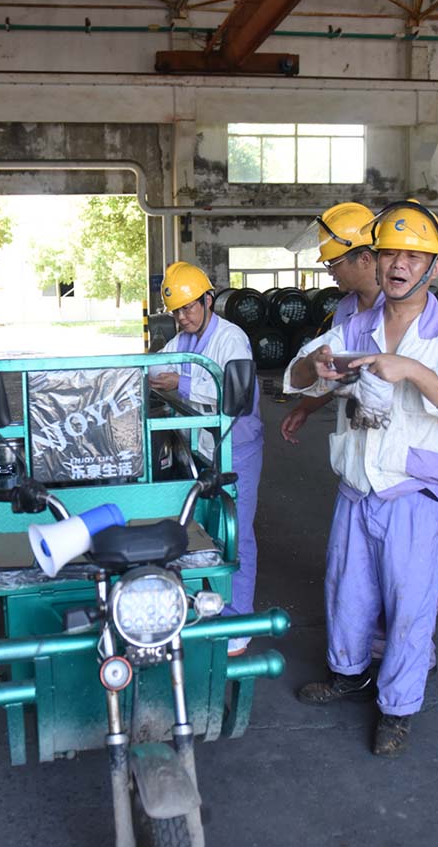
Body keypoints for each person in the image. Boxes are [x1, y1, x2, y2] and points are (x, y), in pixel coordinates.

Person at [284, 201, 438, 756]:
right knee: (347, 591)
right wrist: (314, 367)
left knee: (408, 605)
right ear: (374, 261)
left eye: (413, 256)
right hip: (357, 487)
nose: (399, 265)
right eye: (389, 254)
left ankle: (397, 707)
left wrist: (412, 370)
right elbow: (297, 377)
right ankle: (348, 673)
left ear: (435, 266)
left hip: (413, 491)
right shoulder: (354, 325)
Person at [149, 261, 264, 656]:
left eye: (189, 307)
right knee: (205, 529)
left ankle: (239, 624)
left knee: (236, 532)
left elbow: (235, 393)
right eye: (177, 312)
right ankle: (208, 610)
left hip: (236, 448)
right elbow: (156, 365)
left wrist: (180, 382)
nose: (183, 317)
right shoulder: (182, 339)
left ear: (208, 300)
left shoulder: (232, 339)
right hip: (201, 448)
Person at [280, 202, 383, 446]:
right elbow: (337, 372)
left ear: (364, 259)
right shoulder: (346, 307)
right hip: (355, 428)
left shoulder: (399, 308)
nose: (330, 272)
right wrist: (306, 407)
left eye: (333, 262)